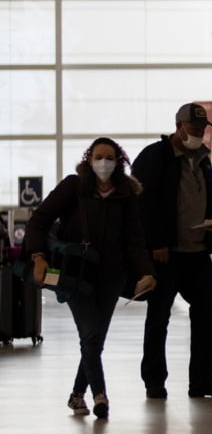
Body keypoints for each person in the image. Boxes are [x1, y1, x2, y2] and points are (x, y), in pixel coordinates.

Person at [25, 138, 156, 419]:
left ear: (119, 162)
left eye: (110, 158)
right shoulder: (73, 187)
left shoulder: (126, 194)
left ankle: (76, 395)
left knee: (94, 339)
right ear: (89, 159)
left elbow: (135, 239)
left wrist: (146, 272)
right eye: (99, 157)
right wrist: (37, 255)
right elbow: (39, 219)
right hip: (75, 275)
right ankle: (100, 395)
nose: (104, 163)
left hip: (112, 276)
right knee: (91, 334)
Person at [133, 103, 212, 400]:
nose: (199, 134)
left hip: (197, 252)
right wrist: (156, 243)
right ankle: (154, 380)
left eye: (203, 129)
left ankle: (203, 379)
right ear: (178, 126)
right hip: (166, 254)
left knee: (207, 314)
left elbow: (211, 196)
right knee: (158, 317)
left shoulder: (203, 159)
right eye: (194, 129)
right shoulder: (155, 157)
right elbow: (142, 203)